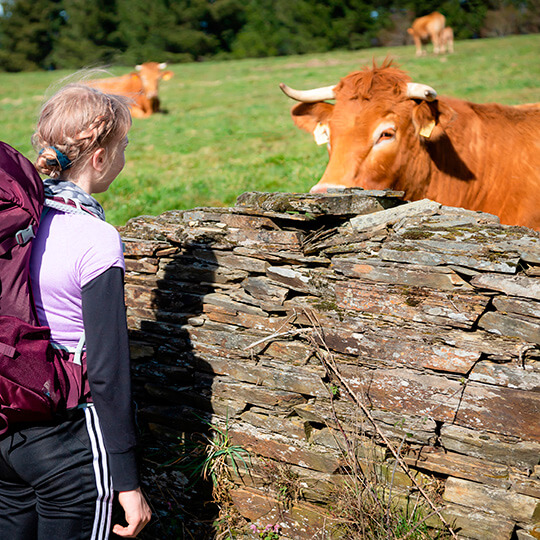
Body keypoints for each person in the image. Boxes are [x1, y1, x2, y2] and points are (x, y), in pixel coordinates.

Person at [0, 83, 151, 539]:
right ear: (100, 158)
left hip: (8, 422)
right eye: (122, 146)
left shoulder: (13, 219)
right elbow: (107, 367)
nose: (124, 156)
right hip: (67, 436)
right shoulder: (95, 237)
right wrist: (126, 480)